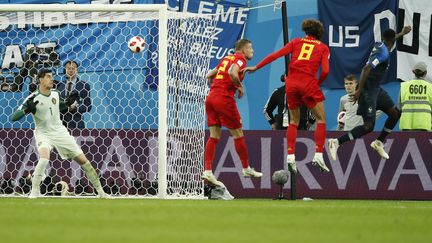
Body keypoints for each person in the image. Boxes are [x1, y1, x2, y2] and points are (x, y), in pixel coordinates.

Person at [244, 19, 330, 173]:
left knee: (293, 122)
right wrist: (318, 83)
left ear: (306, 31)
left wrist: (257, 67)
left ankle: (290, 156)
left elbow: (276, 55)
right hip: (308, 83)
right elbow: (325, 71)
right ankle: (318, 154)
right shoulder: (323, 48)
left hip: (291, 85)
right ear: (319, 33)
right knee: (321, 119)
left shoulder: (296, 42)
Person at [11, 69, 107, 198]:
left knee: (85, 162)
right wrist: (27, 110)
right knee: (44, 158)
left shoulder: (55, 93)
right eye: (49, 77)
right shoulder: (33, 98)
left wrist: (67, 104)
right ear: (41, 79)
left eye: (52, 77)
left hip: (60, 132)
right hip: (43, 133)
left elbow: (57, 106)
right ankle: (34, 192)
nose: (52, 79)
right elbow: (14, 117)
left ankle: (101, 193)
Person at [328, 26, 412, 161]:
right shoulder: (383, 54)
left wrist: (402, 33)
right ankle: (336, 142)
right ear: (391, 42)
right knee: (368, 127)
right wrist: (359, 91)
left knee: (395, 113)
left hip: (376, 89)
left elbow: (391, 38)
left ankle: (378, 143)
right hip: (367, 92)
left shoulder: (380, 44)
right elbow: (366, 69)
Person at [202, 39, 263, 186]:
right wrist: (240, 86)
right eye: (250, 48)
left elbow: (209, 74)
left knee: (214, 136)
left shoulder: (227, 58)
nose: (252, 51)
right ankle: (246, 168)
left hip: (211, 98)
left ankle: (208, 171)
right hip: (224, 99)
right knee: (238, 134)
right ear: (243, 50)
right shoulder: (240, 59)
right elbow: (232, 72)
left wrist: (215, 85)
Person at [56, 60, 92, 128]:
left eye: (73, 68)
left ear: (77, 70)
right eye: (69, 68)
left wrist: (76, 108)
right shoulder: (59, 85)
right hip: (60, 124)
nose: (71, 70)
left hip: (76, 123)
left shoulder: (84, 85)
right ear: (64, 71)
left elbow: (88, 106)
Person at [399, 61, 432, 131]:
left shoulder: (404, 86)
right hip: (424, 125)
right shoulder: (430, 87)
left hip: (406, 125)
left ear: (413, 72)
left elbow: (399, 107)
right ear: (425, 73)